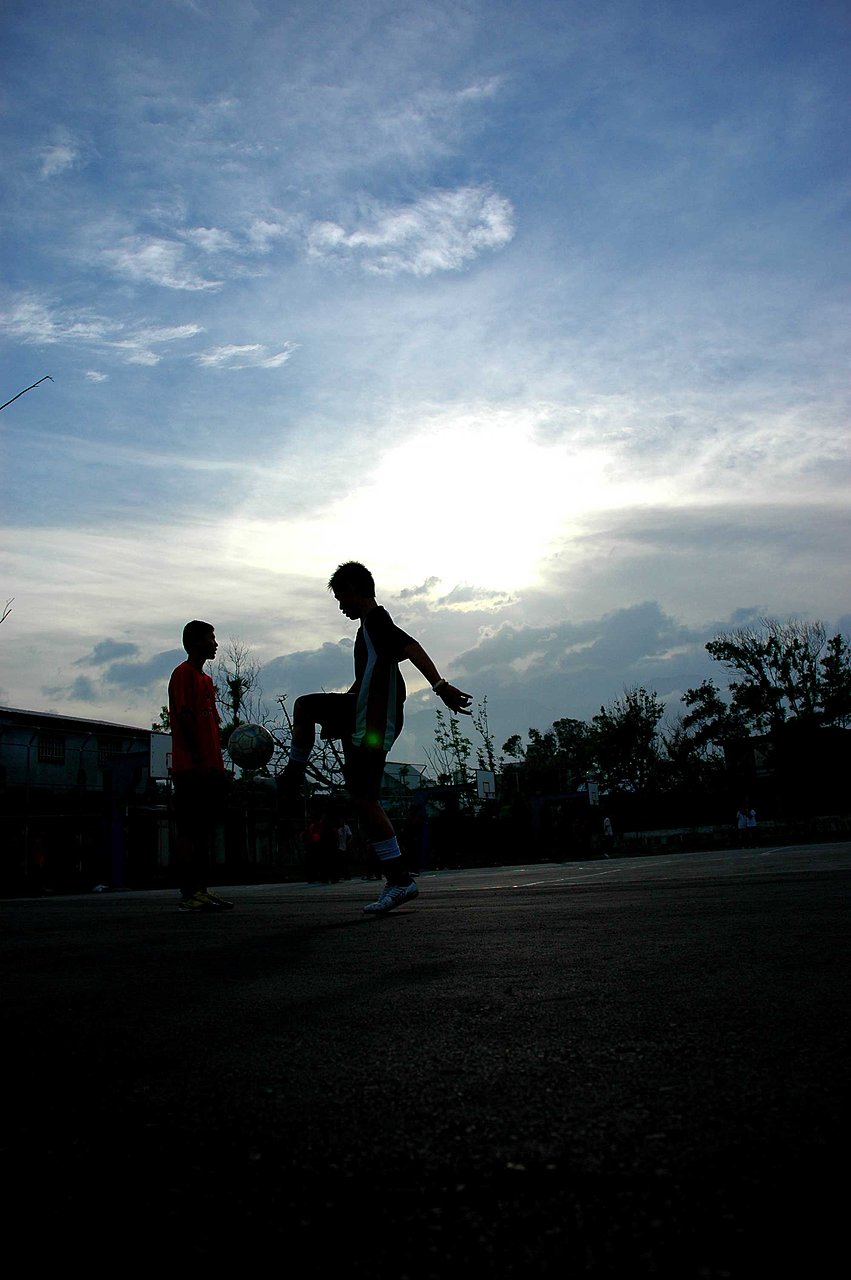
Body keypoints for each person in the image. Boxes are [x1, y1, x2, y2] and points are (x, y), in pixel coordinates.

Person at [279, 561, 472, 914]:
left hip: (373, 722)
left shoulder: (377, 622)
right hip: (363, 715)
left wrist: (440, 685)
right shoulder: (367, 631)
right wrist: (340, 715)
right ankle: (398, 879)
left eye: (341, 598)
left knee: (305, 708)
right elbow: (369, 678)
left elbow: (411, 647)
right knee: (362, 799)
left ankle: (291, 777)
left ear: (355, 590)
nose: (341, 606)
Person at [168, 621, 234, 912]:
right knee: (190, 829)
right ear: (195, 642)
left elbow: (210, 725)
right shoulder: (183, 674)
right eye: (211, 638)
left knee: (204, 830)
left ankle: (202, 890)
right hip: (191, 768)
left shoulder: (206, 680)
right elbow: (184, 718)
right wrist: (199, 760)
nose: (215, 644)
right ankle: (189, 893)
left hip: (209, 767)